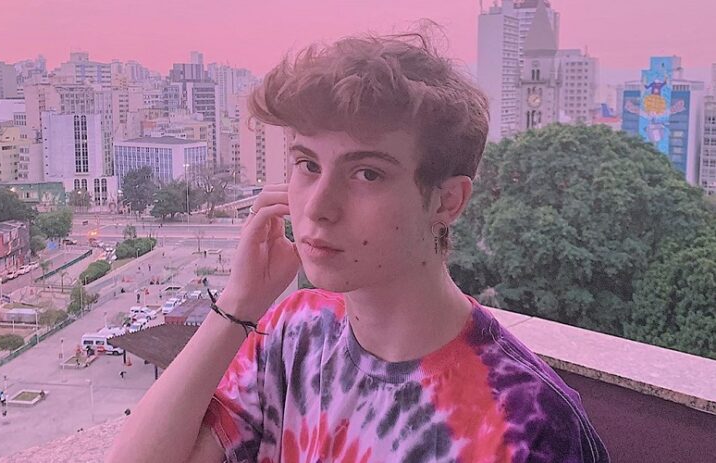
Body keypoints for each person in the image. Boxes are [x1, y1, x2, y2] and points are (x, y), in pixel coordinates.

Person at [108, 30, 609, 463]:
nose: (318, 206)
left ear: (447, 201)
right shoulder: (295, 335)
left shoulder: (527, 422)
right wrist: (238, 305)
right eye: (308, 165)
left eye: (367, 173)